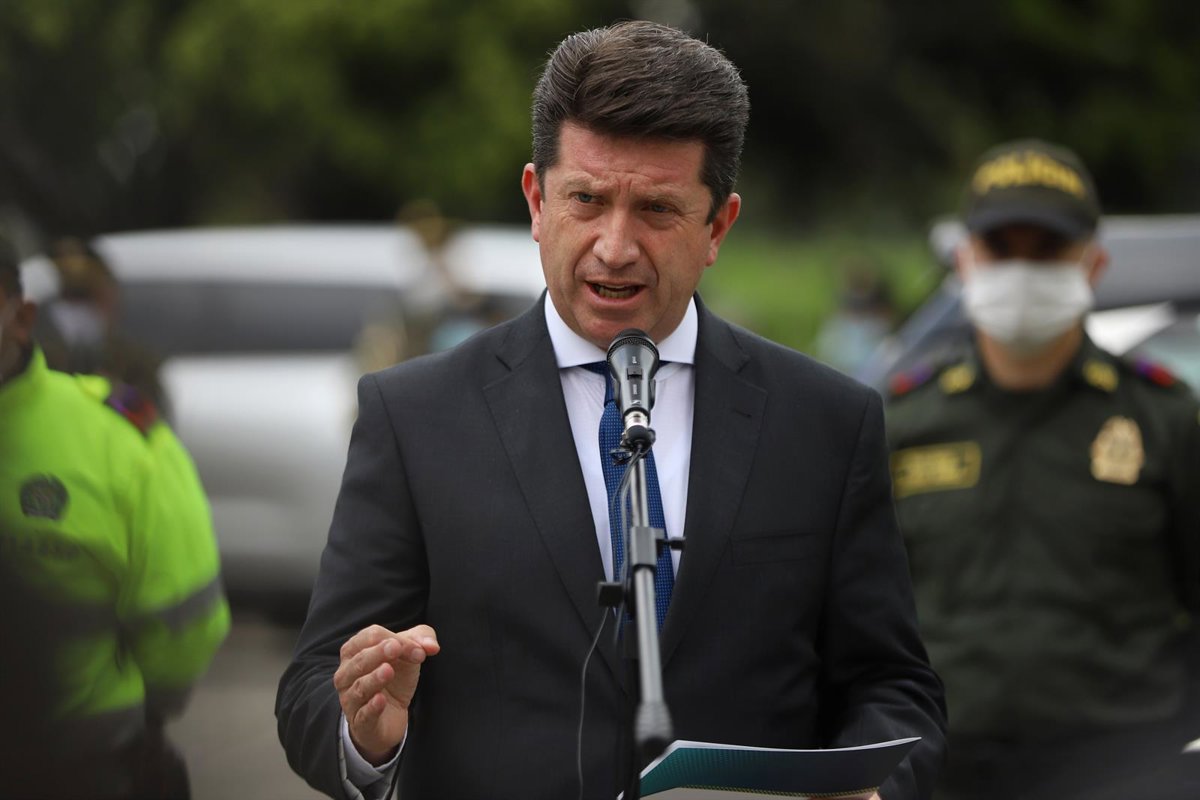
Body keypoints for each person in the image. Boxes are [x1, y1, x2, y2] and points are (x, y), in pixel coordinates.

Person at [277, 20, 946, 800]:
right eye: (587, 201)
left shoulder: (827, 422)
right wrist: (366, 731)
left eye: (657, 209)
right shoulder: (414, 416)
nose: (615, 246)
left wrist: (873, 788)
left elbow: (892, 686)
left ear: (718, 226)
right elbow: (312, 688)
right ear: (537, 201)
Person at [885, 139, 1200, 799]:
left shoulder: (1165, 419)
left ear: (1094, 263)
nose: (1022, 269)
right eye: (1002, 248)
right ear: (965, 260)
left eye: (1047, 248)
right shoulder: (901, 422)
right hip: (943, 773)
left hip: (1128, 772)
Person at [0, 252, 230, 799]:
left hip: (74, 772)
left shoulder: (116, 435)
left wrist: (138, 714)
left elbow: (182, 625)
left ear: (23, 317)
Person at [35, 236, 170, 415]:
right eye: (73, 299)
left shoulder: (135, 362)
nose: (81, 312)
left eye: (88, 296)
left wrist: (117, 395)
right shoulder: (30, 360)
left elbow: (152, 416)